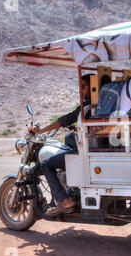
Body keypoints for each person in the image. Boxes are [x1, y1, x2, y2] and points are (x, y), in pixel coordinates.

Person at [28, 74, 91, 216]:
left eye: (84, 86)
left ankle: (64, 200)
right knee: (69, 137)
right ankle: (69, 184)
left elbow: (65, 119)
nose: (81, 91)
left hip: (87, 151)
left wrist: (41, 131)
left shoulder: (87, 106)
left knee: (46, 164)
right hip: (91, 145)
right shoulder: (98, 103)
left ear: (93, 86)